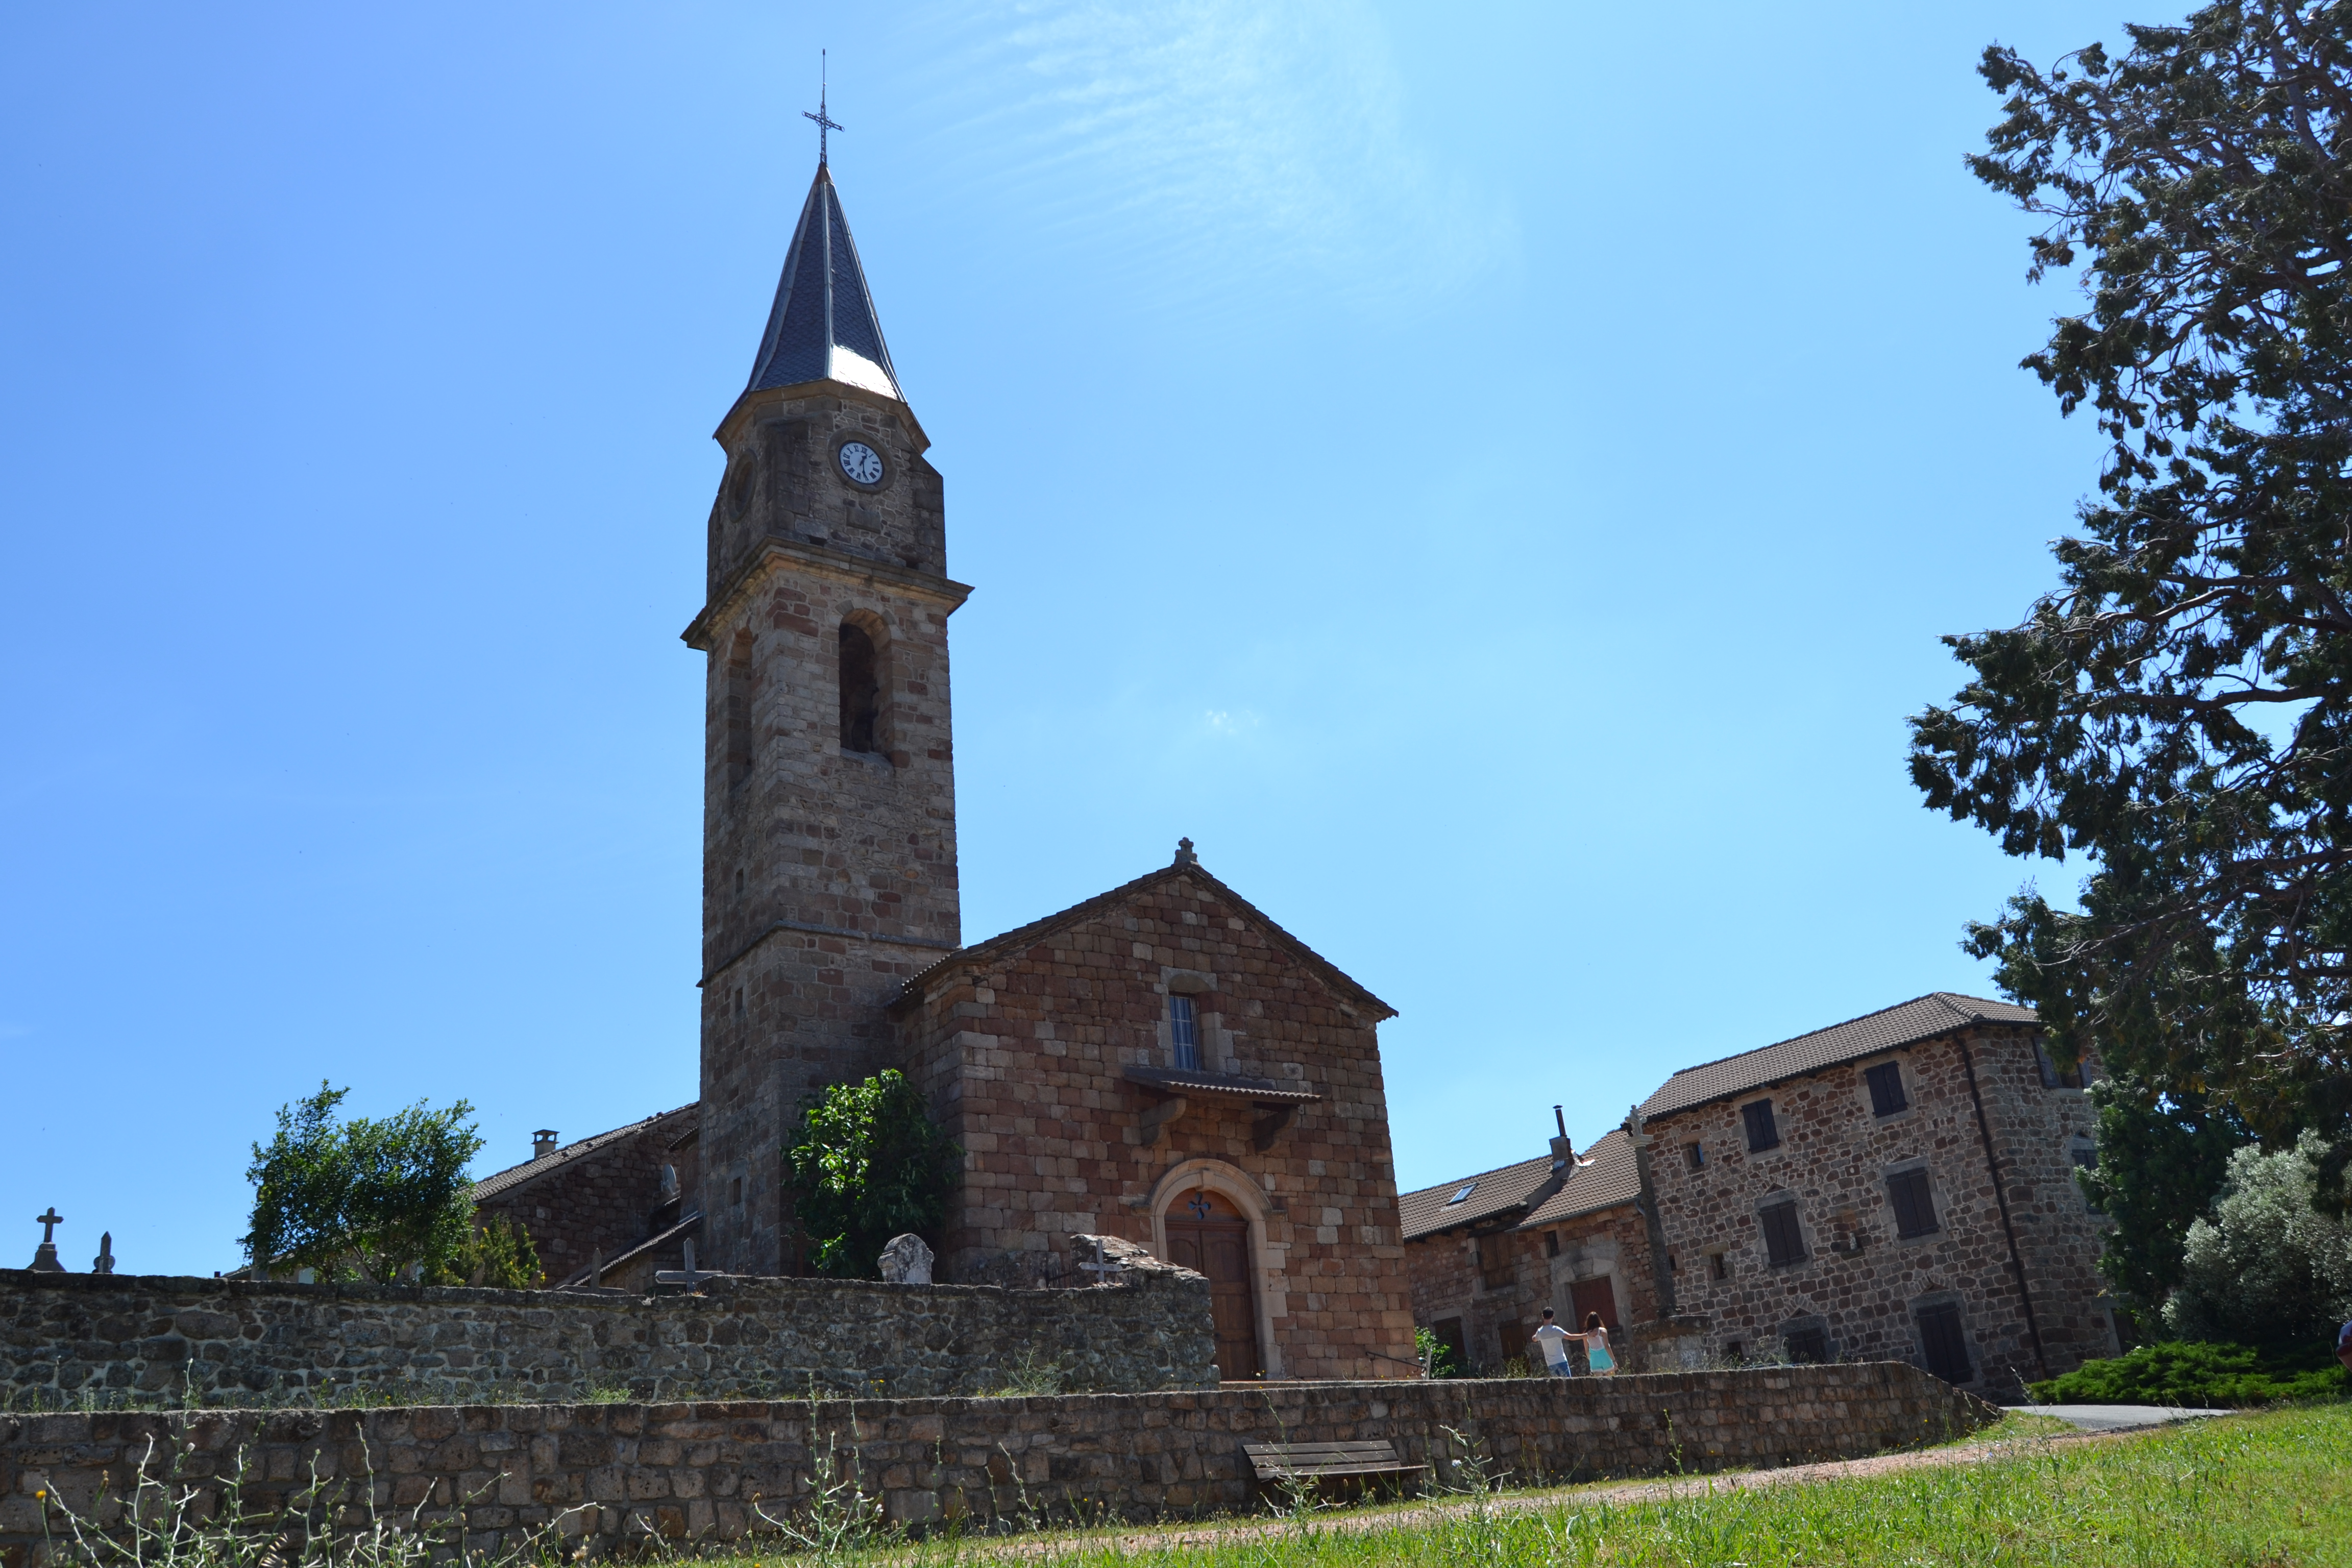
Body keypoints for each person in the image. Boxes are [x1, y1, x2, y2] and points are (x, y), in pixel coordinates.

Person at [1529, 1308, 1575, 1377]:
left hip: (1551, 1364)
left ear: (1543, 1316)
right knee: (1568, 1384)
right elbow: (1571, 1337)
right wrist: (1586, 1335)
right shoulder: (1556, 1330)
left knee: (1557, 1386)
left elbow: (1535, 1339)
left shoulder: (1540, 1332)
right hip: (1561, 1361)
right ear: (1553, 1316)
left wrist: (1534, 1337)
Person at [1571, 1311, 1618, 1376]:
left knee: (1599, 1382)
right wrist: (1614, 1361)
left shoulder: (1586, 1334)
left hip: (1595, 1359)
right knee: (1611, 1380)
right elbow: (1607, 1347)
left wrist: (1592, 1359)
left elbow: (1587, 1351)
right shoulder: (1603, 1331)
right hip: (1606, 1358)